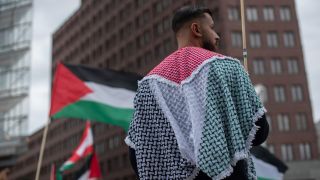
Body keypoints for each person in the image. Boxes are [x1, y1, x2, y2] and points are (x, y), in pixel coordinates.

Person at [125, 6, 269, 180]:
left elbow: (137, 154)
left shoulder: (147, 86)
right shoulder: (227, 68)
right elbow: (259, 131)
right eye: (212, 27)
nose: (217, 35)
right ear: (196, 29)